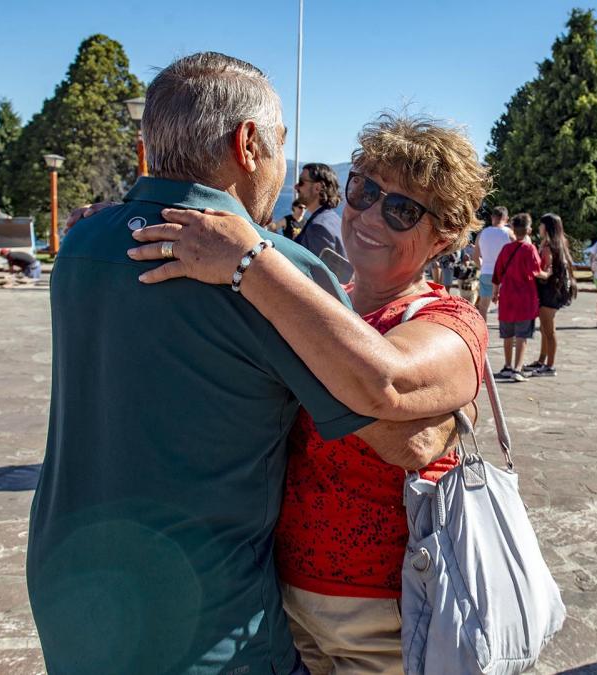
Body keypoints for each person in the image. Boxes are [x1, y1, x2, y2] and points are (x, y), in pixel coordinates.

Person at [28, 53, 460, 675]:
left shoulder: (83, 243)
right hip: (201, 612)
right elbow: (402, 435)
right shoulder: (267, 269)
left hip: (69, 582)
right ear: (249, 144)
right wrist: (451, 415)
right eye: (280, 142)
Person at [126, 111, 491, 674]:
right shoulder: (323, 299)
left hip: (388, 605)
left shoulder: (451, 318)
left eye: (401, 210)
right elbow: (400, 430)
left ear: (441, 238)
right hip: (278, 594)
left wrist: (250, 261)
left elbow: (390, 388)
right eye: (364, 189)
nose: (370, 215)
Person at [492, 213, 547, 382]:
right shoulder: (529, 249)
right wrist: (550, 274)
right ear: (529, 230)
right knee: (522, 335)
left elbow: (497, 274)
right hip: (525, 298)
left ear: (513, 230)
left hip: (507, 297)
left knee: (507, 334)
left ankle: (507, 366)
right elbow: (537, 271)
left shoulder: (506, 249)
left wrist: (495, 292)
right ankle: (518, 368)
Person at [525, 212, 574, 377]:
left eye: (541, 224)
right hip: (553, 290)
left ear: (547, 227)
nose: (539, 227)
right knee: (545, 329)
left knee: (549, 330)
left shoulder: (548, 246)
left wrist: (530, 270)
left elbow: (547, 270)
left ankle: (549, 366)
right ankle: (541, 361)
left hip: (549, 291)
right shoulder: (556, 243)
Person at [294, 162, 344, 258]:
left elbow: (318, 272)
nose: (296, 187)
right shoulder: (334, 220)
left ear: (317, 187)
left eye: (301, 182)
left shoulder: (319, 227)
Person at [473, 205, 515, 316]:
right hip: (504, 275)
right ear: (506, 218)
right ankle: (506, 332)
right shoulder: (510, 234)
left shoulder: (482, 234)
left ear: (492, 217)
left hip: (486, 273)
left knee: (483, 308)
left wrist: (483, 266)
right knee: (506, 308)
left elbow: (475, 257)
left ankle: (484, 332)